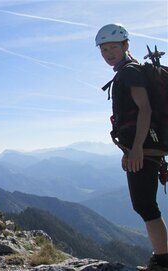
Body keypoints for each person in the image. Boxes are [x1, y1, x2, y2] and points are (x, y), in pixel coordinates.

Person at [96, 23, 168, 270]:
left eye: (113, 47)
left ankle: (162, 260)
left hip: (145, 146)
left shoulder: (130, 72)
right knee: (144, 203)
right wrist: (129, 150)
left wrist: (136, 148)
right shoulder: (130, 70)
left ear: (126, 45)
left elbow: (144, 109)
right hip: (144, 146)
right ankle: (162, 258)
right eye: (103, 50)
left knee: (145, 204)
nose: (108, 53)